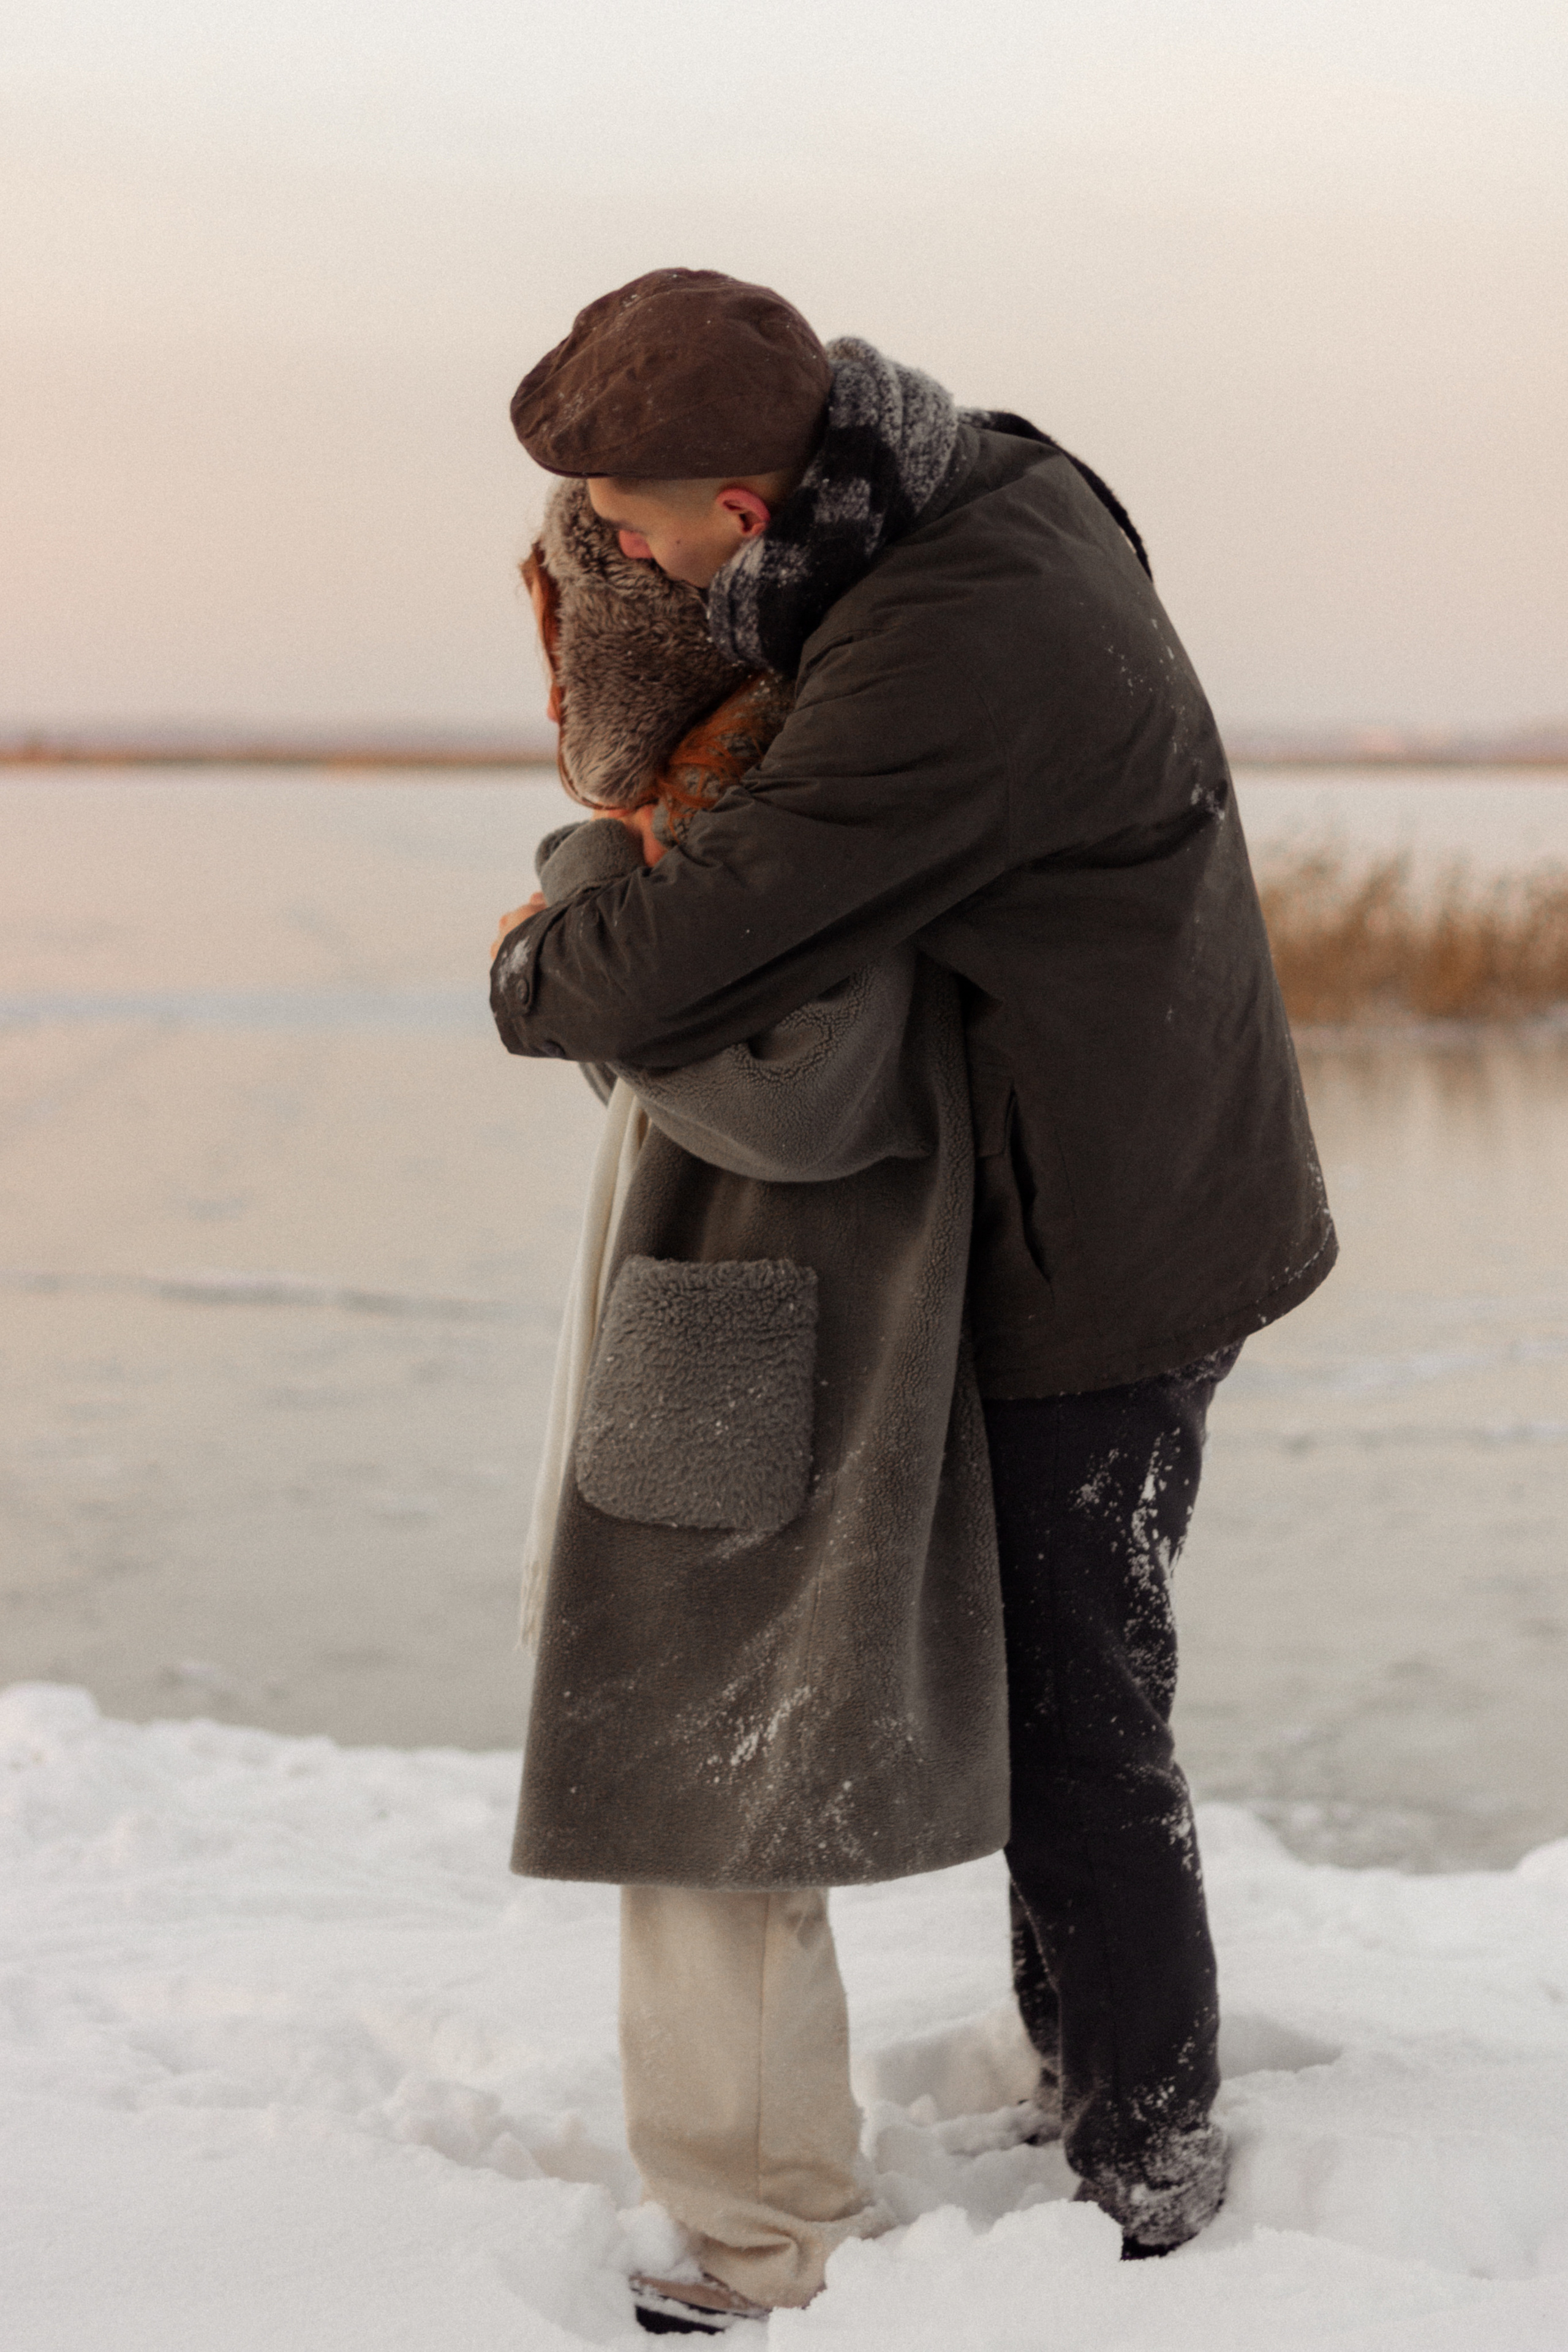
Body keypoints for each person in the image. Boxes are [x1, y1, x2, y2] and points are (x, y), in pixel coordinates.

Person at [491, 268, 1337, 2263]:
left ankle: (1147, 2168)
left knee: (1077, 1705)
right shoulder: (971, 484)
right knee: (1073, 1679)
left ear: (759, 512)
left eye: (631, 517)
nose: (605, 545)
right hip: (1134, 1159)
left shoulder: (956, 643)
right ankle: (1089, 2079)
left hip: (1109, 1232)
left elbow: (696, 960)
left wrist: (560, 911)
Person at [505, 475, 1010, 2332]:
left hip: (768, 1358)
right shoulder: (741, 817)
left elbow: (800, 1100)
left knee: (706, 1797)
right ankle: (765, 2213)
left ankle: (756, 2241)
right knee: (722, 1798)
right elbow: (689, 1082)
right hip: (734, 1340)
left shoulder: (775, 825)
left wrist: (575, 917)